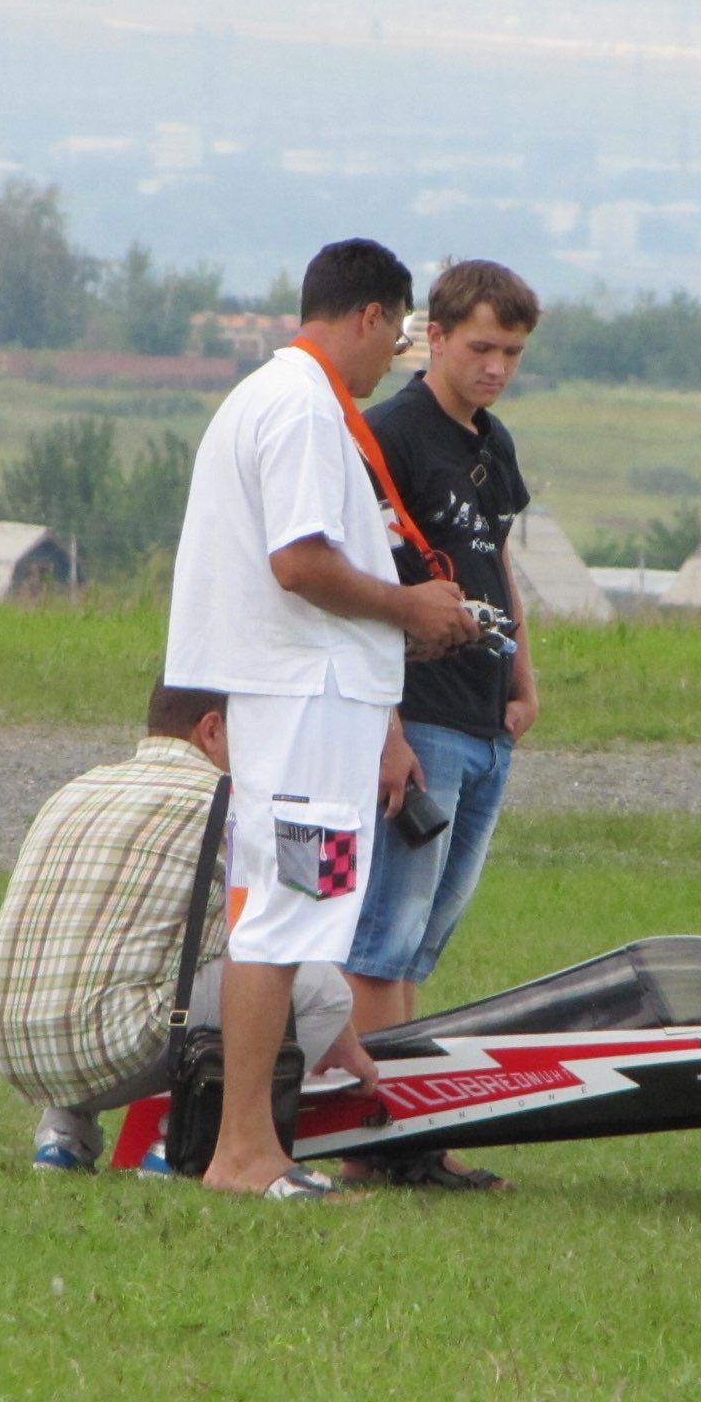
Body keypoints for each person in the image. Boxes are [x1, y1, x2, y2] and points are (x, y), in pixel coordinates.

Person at [164, 237, 479, 1200]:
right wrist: (410, 608)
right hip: (304, 703)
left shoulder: (277, 397)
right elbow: (299, 563)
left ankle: (257, 1142)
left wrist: (396, 629)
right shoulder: (303, 406)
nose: (395, 363)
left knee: (296, 914)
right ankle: (244, 1152)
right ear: (371, 317)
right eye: (399, 338)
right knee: (281, 916)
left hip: (312, 697)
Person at [0, 681, 373, 1182]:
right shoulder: (237, 804)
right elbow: (290, 933)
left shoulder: (80, 786)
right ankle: (184, 1139)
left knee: (105, 959)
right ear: (212, 729)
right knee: (324, 993)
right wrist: (348, 1041)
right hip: (113, 1046)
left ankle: (63, 1136)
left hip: (6, 1042)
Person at [343, 259, 541, 1191]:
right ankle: (377, 1136)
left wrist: (522, 678)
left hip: (483, 715)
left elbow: (498, 564)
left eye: (511, 352)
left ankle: (409, 1124)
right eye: (481, 348)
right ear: (434, 336)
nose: (496, 367)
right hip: (419, 715)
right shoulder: (390, 437)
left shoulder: (493, 446)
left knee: (424, 939)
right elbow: (368, 590)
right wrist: (384, 723)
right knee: (384, 935)